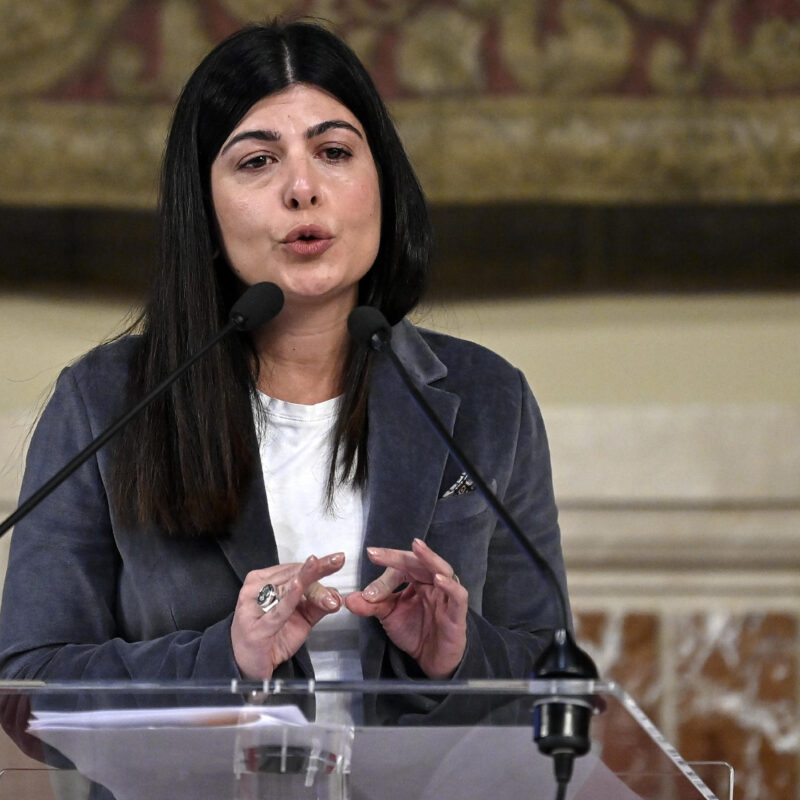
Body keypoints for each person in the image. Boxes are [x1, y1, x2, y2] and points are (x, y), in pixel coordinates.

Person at [0, 19, 569, 726]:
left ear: (381, 185)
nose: (303, 188)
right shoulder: (108, 403)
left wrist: (457, 657)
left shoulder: (487, 398)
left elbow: (556, 677)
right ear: (203, 209)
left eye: (334, 152)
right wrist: (224, 662)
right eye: (257, 162)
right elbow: (30, 689)